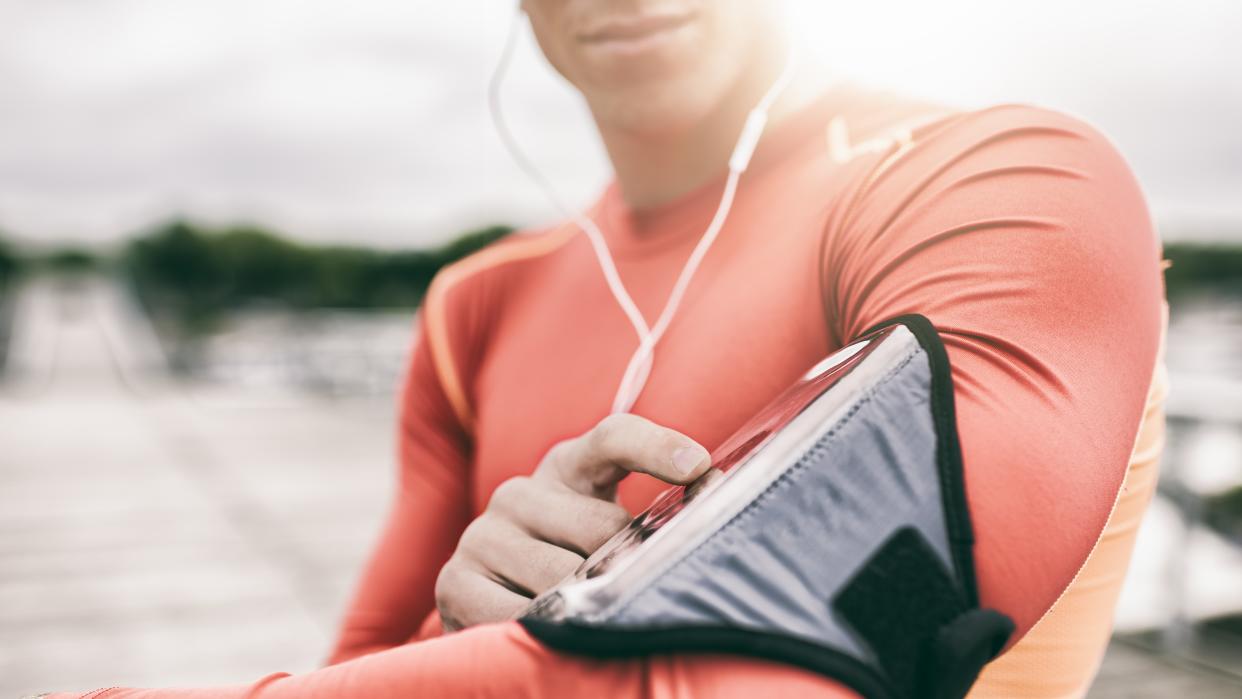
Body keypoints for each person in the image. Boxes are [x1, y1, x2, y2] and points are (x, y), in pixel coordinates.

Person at [48, 0, 1167, 696]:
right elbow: (365, 672)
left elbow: (776, 653)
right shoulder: (477, 302)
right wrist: (460, 614)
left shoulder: (997, 185)